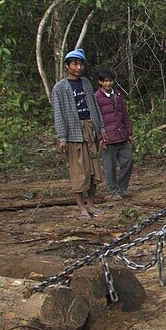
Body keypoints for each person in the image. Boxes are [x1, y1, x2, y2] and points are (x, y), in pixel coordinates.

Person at [52, 48, 106, 218]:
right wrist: (62, 137)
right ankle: (81, 206)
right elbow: (58, 113)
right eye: (75, 63)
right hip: (74, 134)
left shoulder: (86, 83)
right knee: (78, 172)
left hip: (91, 130)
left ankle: (90, 204)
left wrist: (101, 129)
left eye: (81, 63)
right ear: (67, 66)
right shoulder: (60, 88)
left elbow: (95, 108)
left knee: (94, 171)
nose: (78, 67)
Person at [94, 68, 135, 200]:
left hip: (121, 135)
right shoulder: (96, 98)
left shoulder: (118, 95)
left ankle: (122, 188)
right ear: (100, 82)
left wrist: (129, 133)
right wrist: (100, 137)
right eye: (105, 81)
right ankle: (114, 191)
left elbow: (125, 115)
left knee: (128, 160)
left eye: (110, 80)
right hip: (107, 138)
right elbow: (95, 118)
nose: (108, 84)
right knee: (109, 167)